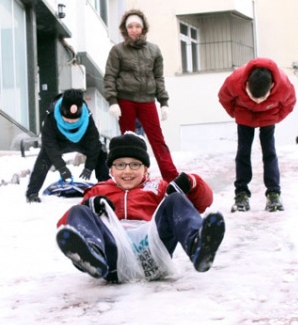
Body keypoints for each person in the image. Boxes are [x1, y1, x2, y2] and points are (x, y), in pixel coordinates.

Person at [55, 132, 225, 283]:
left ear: (145, 169)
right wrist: (89, 206)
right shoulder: (99, 190)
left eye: (135, 164)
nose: (127, 171)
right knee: (78, 211)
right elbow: (66, 226)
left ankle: (198, 247)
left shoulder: (158, 187)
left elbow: (203, 203)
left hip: (152, 252)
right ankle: (92, 255)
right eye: (120, 165)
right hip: (113, 257)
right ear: (111, 170)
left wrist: (191, 183)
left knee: (175, 199)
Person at [103, 9, 179, 182]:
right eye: (130, 26)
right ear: (125, 29)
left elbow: (158, 77)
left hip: (147, 100)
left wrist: (164, 102)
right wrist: (112, 101)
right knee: (129, 142)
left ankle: (172, 177)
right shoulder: (117, 51)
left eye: (137, 26)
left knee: (157, 139)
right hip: (125, 100)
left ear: (143, 28)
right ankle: (134, 178)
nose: (134, 29)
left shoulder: (154, 50)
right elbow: (110, 76)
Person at [218, 57, 296, 212]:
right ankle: (241, 193)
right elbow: (223, 98)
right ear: (246, 84)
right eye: (253, 97)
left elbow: (290, 103)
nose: (257, 102)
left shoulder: (283, 85)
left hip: (269, 116)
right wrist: (235, 114)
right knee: (243, 152)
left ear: (272, 86)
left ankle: (273, 192)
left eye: (262, 98)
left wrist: (275, 118)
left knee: (269, 152)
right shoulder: (234, 80)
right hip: (244, 116)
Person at [25, 89, 110, 203]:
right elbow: (49, 144)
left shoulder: (87, 117)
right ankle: (32, 193)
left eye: (74, 120)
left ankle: (105, 188)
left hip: (82, 141)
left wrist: (89, 167)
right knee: (44, 158)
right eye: (67, 120)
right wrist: (62, 168)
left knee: (101, 150)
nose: (70, 122)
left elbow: (93, 142)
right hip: (59, 143)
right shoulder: (51, 116)